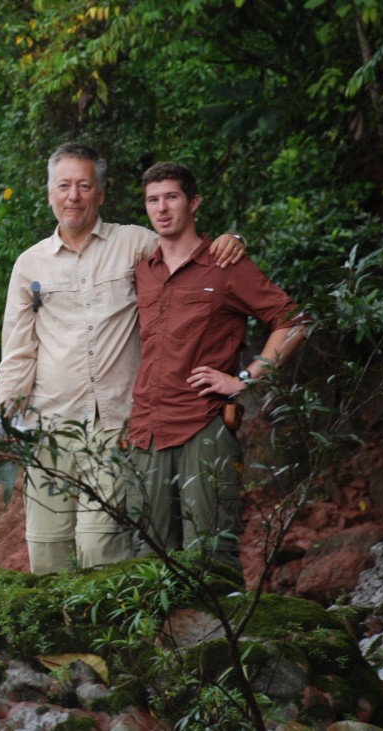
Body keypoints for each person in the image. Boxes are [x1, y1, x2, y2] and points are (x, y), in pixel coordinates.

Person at [0, 143, 246, 574]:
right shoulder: (29, 264)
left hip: (116, 425)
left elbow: (189, 254)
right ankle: (64, 641)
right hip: (49, 427)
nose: (73, 196)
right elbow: (18, 349)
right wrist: (6, 418)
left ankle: (110, 643)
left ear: (101, 194)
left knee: (101, 551)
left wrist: (233, 240)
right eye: (64, 186)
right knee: (48, 552)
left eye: (84, 186)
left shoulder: (134, 244)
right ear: (50, 193)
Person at [127, 161, 308, 571]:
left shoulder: (225, 266)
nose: (162, 208)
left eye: (171, 197)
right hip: (146, 434)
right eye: (152, 200)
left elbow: (295, 321)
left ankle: (219, 636)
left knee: (210, 560)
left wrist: (245, 379)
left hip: (202, 427)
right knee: (148, 564)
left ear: (194, 203)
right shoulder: (143, 271)